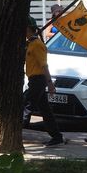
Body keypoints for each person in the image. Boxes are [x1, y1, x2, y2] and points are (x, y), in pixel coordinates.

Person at [22, 16, 64, 147]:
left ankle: (17, 132)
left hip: (38, 80)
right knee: (45, 110)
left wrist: (50, 83)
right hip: (33, 80)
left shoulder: (38, 45)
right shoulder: (30, 43)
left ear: (29, 29)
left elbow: (44, 66)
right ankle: (57, 136)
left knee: (26, 105)